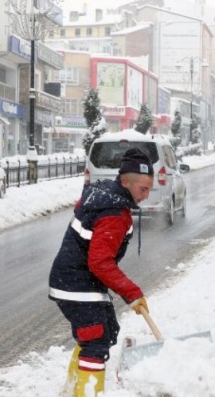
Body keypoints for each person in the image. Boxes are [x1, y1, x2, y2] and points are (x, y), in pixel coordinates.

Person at [48, 148, 154, 396]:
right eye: (143, 189)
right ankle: (84, 393)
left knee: (106, 331)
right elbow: (100, 262)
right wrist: (133, 294)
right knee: (95, 340)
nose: (146, 196)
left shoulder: (106, 193)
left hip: (79, 280)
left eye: (149, 189)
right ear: (125, 182)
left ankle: (72, 389)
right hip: (77, 283)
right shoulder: (114, 213)